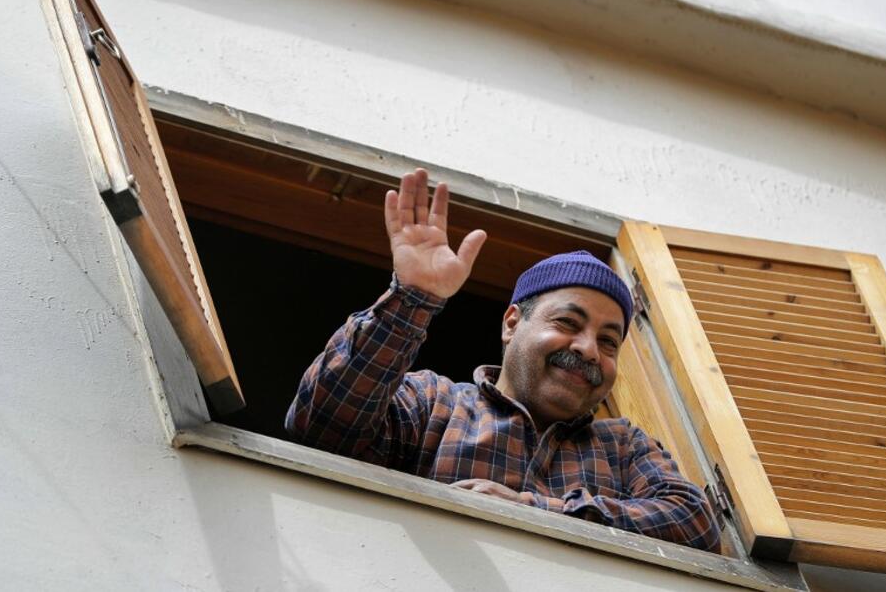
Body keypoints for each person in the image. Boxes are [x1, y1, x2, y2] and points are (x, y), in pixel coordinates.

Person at [285, 168, 720, 552]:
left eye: (609, 342)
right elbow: (322, 428)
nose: (589, 348)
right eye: (569, 322)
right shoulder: (433, 402)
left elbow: (694, 522)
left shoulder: (623, 446)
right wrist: (413, 299)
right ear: (512, 323)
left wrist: (537, 511)